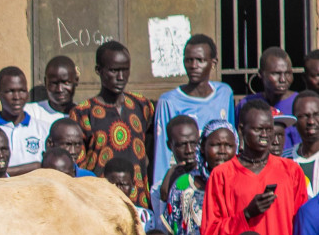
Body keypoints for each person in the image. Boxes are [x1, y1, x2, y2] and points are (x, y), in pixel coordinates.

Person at [202, 100, 308, 235]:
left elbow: (303, 227)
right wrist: (246, 215)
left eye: (269, 129)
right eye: (258, 129)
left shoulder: (291, 170)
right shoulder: (222, 175)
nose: (265, 135)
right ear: (241, 130)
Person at [72, 41, 157, 206]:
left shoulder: (142, 106)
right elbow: (77, 163)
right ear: (99, 70)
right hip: (99, 202)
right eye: (113, 70)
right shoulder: (83, 113)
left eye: (125, 70)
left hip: (137, 200)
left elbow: (154, 151)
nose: (120, 77)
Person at [154, 34, 236, 189]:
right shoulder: (169, 102)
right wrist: (161, 190)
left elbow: (232, 139)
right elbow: (162, 155)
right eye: (188, 60)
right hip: (185, 183)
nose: (193, 65)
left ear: (213, 63)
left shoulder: (224, 94)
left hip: (220, 180)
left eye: (200, 60)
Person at [167, 121, 236, 235]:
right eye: (215, 145)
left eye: (228, 145)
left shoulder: (242, 183)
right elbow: (171, 233)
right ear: (203, 147)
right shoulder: (183, 185)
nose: (222, 151)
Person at [0, 66, 48, 174]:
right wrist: (36, 166)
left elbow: (48, 167)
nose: (17, 97)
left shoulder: (43, 129)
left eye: (22, 91)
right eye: (10, 91)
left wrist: (5, 172)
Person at [239, 47, 301, 153]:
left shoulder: (300, 103)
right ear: (261, 74)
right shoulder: (247, 105)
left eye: (288, 73)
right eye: (276, 73)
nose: (283, 79)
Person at [26, 55, 80, 125]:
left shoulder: (84, 115)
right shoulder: (31, 113)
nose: (59, 89)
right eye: (54, 83)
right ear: (45, 82)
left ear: (76, 81)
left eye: (66, 83)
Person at [286, 91, 319, 195]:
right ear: (294, 121)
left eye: (316, 115)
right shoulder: (285, 160)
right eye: (304, 116)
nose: (311, 121)